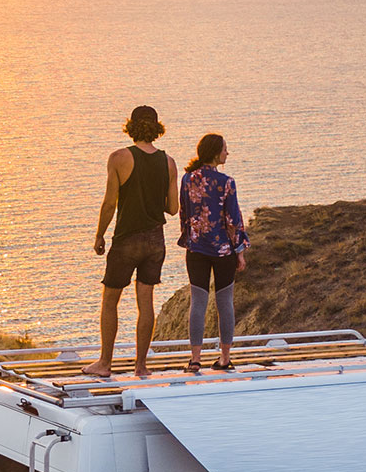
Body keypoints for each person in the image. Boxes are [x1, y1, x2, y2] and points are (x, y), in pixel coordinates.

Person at [84, 105, 179, 378]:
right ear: (157, 127)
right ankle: (141, 366)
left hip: (127, 240)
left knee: (110, 300)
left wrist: (100, 234)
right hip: (155, 240)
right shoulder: (168, 162)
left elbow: (109, 204)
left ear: (132, 125)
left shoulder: (118, 158)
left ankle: (104, 363)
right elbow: (172, 209)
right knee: (145, 302)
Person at [176, 132, 250, 372]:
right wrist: (239, 251)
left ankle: (195, 360)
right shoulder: (226, 182)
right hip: (223, 251)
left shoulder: (187, 179)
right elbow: (233, 220)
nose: (228, 153)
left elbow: (184, 213)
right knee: (224, 302)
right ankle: (225, 359)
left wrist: (190, 238)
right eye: (225, 149)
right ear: (216, 153)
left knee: (198, 302)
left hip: (196, 248)